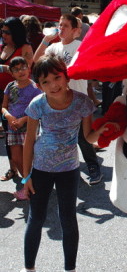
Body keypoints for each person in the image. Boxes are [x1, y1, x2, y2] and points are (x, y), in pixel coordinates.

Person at [21, 55, 109, 272]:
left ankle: (70, 268)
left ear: (66, 75)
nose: (53, 85)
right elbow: (29, 141)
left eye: (56, 77)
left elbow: (87, 137)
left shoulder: (82, 102)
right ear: (39, 85)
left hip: (69, 169)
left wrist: (101, 132)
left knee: (68, 218)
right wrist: (26, 177)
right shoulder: (37, 104)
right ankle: (28, 268)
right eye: (45, 82)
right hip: (40, 169)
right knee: (35, 218)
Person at [34, 14, 103, 185]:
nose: (61, 28)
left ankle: (93, 168)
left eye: (65, 25)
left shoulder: (80, 46)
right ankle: (66, 169)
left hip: (77, 101)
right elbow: (36, 61)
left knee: (83, 137)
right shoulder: (53, 48)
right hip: (57, 101)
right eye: (60, 24)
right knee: (62, 137)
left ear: (75, 31)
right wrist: (45, 40)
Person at [1, 57, 41, 200]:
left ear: (28, 68)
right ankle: (28, 182)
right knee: (17, 158)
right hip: (13, 126)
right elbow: (4, 106)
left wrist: (24, 119)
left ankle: (29, 186)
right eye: (16, 70)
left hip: (29, 126)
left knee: (30, 156)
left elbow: (39, 109)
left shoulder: (36, 88)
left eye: (23, 67)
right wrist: (9, 117)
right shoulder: (10, 86)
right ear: (11, 73)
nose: (21, 71)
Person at [0, 16, 34, 181]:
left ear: (15, 32)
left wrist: (5, 68)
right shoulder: (3, 47)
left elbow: (26, 68)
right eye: (2, 32)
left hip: (21, 96)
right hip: (4, 93)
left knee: (25, 139)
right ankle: (13, 169)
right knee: (9, 134)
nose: (3, 35)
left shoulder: (25, 47)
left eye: (7, 32)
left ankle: (30, 175)